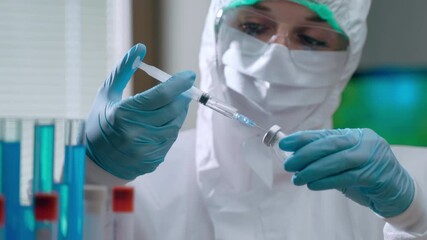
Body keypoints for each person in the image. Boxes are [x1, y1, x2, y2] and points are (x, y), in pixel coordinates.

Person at [85, 0, 427, 239]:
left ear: (346, 61)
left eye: (310, 39)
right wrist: (92, 178)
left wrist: (413, 218)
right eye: (252, 26)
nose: (274, 53)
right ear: (214, 35)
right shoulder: (138, 183)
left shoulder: (404, 184)